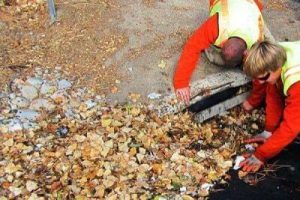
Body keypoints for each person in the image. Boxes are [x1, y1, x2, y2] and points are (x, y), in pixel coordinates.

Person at [173, 0, 265, 104]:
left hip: (250, 5)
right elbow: (192, 47)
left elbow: (262, 69)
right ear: (224, 42)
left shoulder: (258, 36)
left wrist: (253, 101)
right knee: (216, 58)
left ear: (246, 53)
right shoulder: (217, 25)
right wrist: (181, 83)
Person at [240, 40, 300, 172]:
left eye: (263, 78)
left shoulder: (296, 83)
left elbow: (290, 127)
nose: (260, 82)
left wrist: (261, 154)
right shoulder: (273, 53)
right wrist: (268, 131)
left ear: (276, 67)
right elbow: (273, 94)